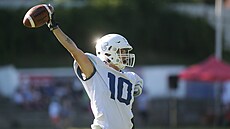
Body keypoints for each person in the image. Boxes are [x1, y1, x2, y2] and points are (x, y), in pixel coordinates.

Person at [45, 4, 143, 129]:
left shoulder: (131, 77)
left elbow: (135, 90)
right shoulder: (97, 70)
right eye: (121, 51)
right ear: (108, 51)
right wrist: (54, 27)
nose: (125, 55)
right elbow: (74, 51)